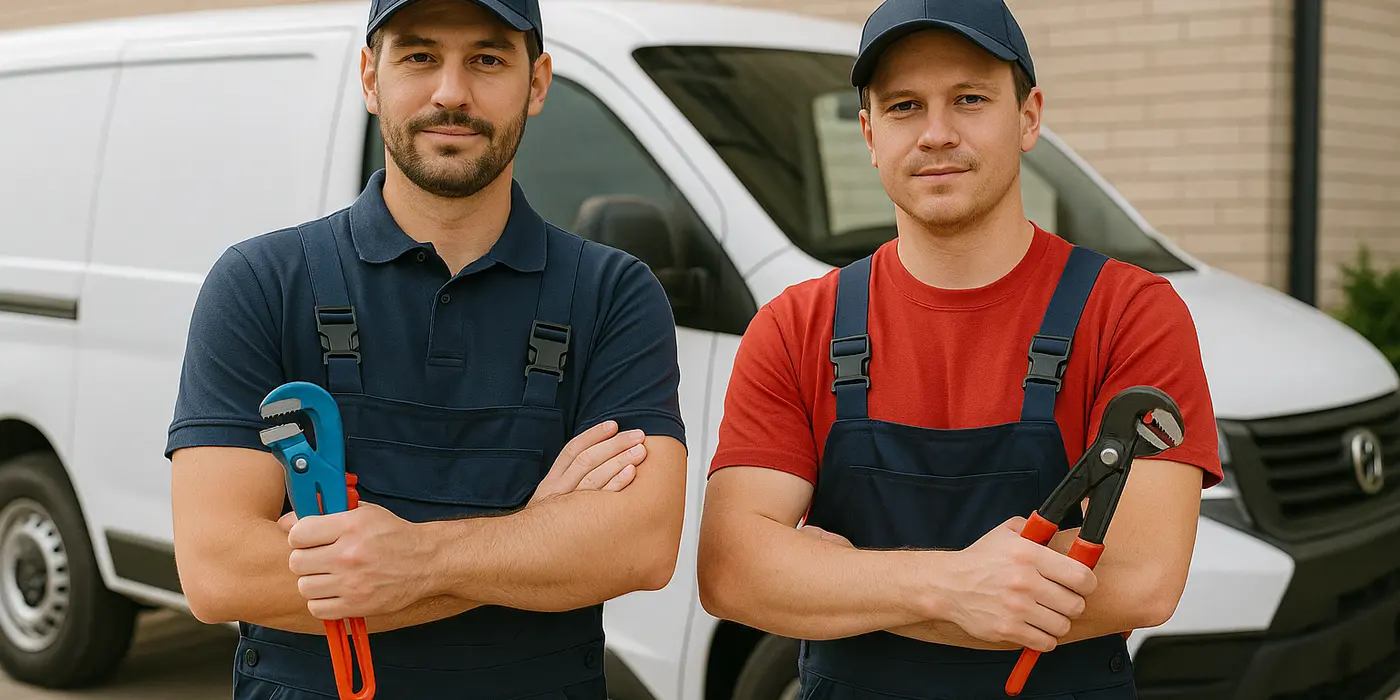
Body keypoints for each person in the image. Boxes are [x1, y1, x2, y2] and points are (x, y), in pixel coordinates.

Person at [695, 0, 1223, 697]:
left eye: (969, 99)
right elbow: (733, 571)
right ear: (869, 133)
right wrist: (950, 587)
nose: (936, 134)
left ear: (1029, 116)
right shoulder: (797, 327)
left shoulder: (1130, 313)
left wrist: (843, 580)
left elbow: (1140, 581)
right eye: (905, 106)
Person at [166, 0, 687, 698]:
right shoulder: (262, 283)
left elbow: (639, 547)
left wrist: (413, 560)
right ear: (370, 78)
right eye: (418, 56)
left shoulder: (614, 295)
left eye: (487, 58)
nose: (451, 92)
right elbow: (220, 572)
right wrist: (537, 536)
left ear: (536, 83)